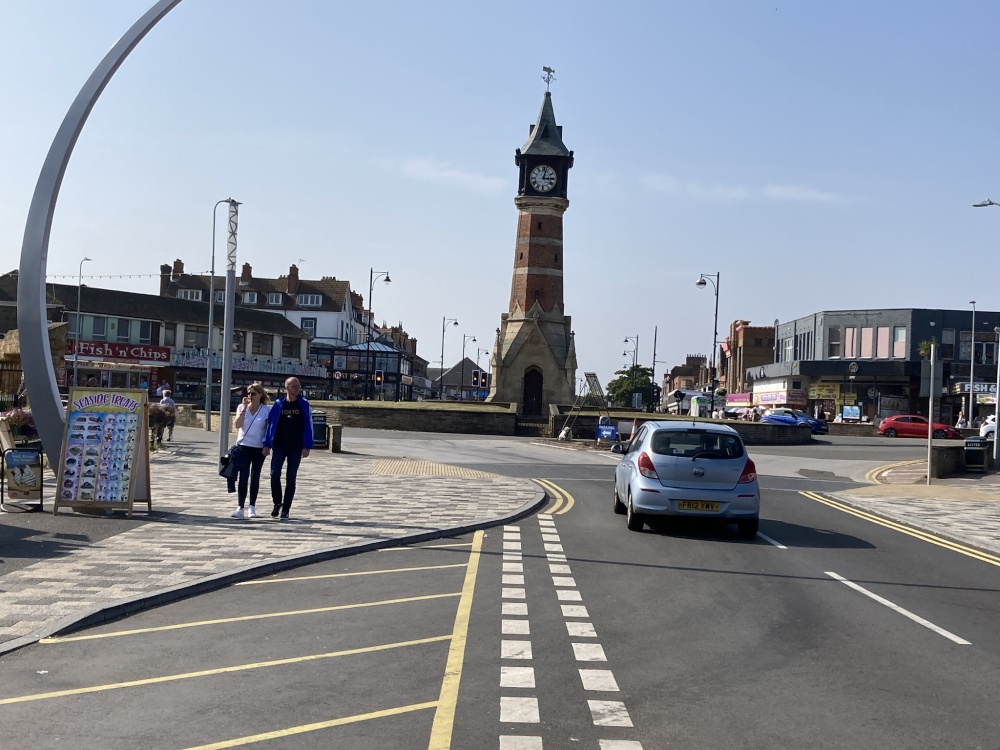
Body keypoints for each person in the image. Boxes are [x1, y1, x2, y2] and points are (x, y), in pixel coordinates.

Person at [262, 377, 313, 520]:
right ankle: (277, 502)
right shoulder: (279, 404)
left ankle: (286, 509)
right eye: (294, 386)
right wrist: (266, 444)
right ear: (287, 388)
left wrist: (307, 446)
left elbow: (309, 426)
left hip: (296, 447)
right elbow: (270, 425)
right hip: (279, 446)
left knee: (291, 478)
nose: (297, 389)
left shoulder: (304, 404)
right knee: (274, 474)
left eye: (298, 386)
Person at [230, 384, 271, 519]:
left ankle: (252, 506)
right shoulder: (242, 408)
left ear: (260, 395)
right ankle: (240, 507)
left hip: (258, 448)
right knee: (243, 476)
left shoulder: (265, 410)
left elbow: (268, 430)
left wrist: (267, 446)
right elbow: (237, 425)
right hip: (243, 446)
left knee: (255, 477)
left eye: (253, 394)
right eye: (248, 393)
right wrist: (243, 409)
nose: (250, 396)